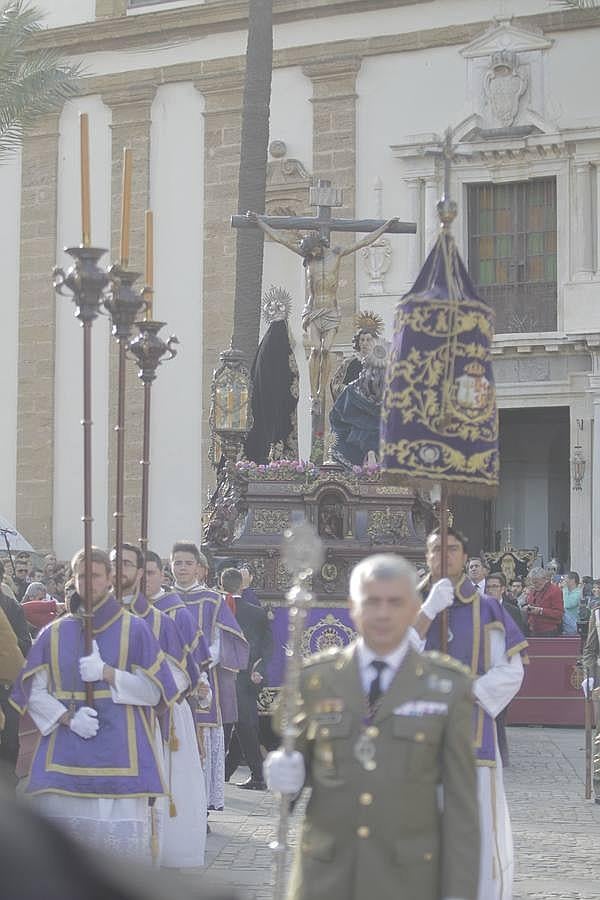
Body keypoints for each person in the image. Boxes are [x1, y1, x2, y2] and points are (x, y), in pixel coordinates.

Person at [264, 553, 480, 900]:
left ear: (414, 608)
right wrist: (285, 778)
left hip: (408, 882)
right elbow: (293, 784)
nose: (382, 613)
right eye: (372, 601)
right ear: (352, 606)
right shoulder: (316, 680)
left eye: (395, 602)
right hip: (325, 878)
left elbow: (462, 812)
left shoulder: (446, 688)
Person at [10, 546, 179, 861]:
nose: (89, 582)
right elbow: (33, 691)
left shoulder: (135, 629)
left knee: (117, 864)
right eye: (82, 575)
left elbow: (155, 693)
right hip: (65, 759)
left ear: (110, 579)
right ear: (73, 580)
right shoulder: (54, 634)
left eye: (96, 575)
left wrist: (109, 674)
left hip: (121, 756)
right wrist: (67, 718)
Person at [414, 527, 527, 900]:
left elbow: (511, 670)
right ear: (426, 556)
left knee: (475, 829)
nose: (443, 557)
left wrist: (469, 691)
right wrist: (428, 611)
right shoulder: (407, 604)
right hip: (416, 741)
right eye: (435, 550)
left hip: (472, 737)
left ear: (465, 557)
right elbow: (388, 663)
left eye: (452, 549)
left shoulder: (488, 609)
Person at [247, 210, 398, 404]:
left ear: (320, 245)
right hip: (312, 311)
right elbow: (281, 238)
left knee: (326, 350)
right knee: (316, 349)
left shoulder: (336, 254)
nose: (312, 255)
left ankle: (321, 390)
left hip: (332, 311)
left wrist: (385, 226)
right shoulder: (308, 257)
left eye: (314, 251)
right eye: (309, 254)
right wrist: (260, 222)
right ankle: (313, 394)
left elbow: (364, 241)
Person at [171, 542, 248, 813]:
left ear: (200, 569)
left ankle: (200, 808)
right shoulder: (163, 600)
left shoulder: (212, 599)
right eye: (177, 563)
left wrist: (203, 661)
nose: (182, 568)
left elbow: (224, 639)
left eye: (187, 563)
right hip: (169, 681)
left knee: (202, 742)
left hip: (204, 681)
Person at [221, 568, 273, 790]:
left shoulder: (216, 607)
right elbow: (267, 647)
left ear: (220, 584)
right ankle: (229, 773)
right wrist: (258, 668)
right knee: (245, 728)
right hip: (246, 677)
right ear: (242, 585)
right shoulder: (257, 612)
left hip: (221, 675)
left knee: (225, 728)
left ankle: (253, 775)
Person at [524, 567, 564, 637]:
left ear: (544, 579)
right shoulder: (533, 590)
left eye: (537, 582)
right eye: (533, 582)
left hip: (549, 632)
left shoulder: (555, 591)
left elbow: (559, 614)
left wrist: (541, 611)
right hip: (533, 630)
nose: (535, 585)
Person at [561, 571, 582, 636]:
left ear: (572, 580)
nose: (564, 581)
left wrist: (564, 588)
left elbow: (567, 604)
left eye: (565, 579)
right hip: (564, 623)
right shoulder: (565, 591)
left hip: (573, 624)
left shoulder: (578, 593)